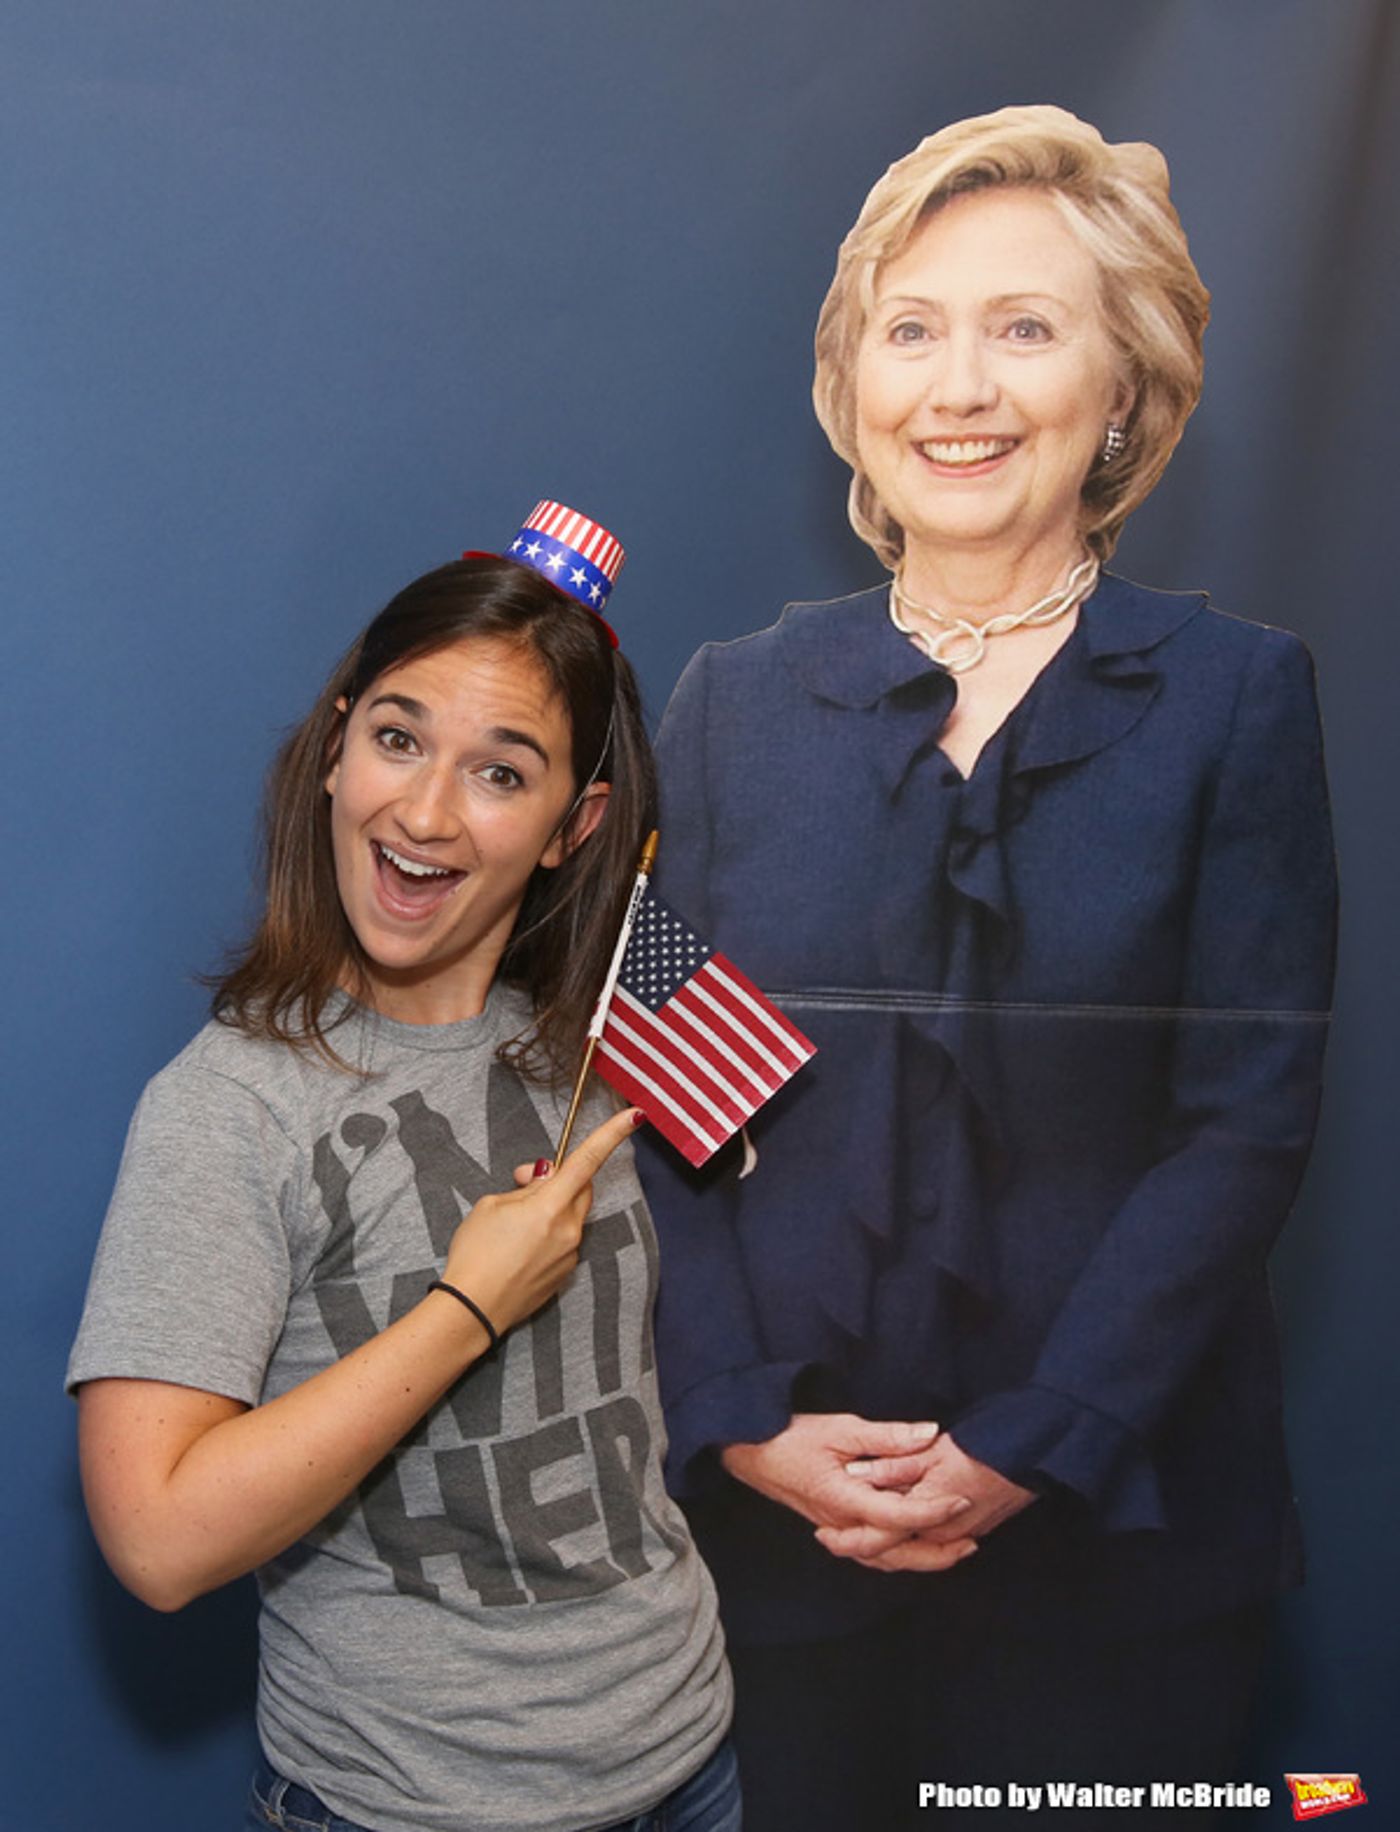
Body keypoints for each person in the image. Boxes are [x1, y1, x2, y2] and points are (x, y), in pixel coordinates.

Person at [636, 107, 1337, 1830]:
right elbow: (650, 1075)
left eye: (1026, 329)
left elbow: (1244, 1121)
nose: (960, 386)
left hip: (1121, 1534)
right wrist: (736, 1423)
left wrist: (1034, 1443)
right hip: (785, 1533)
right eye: (913, 328)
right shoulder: (730, 702)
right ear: (856, 387)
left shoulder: (1239, 700)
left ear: (1125, 390)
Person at [68, 508, 738, 1832]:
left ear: (571, 824)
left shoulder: (594, 1042)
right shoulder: (231, 1106)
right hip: (420, 1805)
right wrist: (469, 1308)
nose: (425, 809)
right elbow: (156, 1541)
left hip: (690, 1757)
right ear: (333, 749)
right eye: (398, 737)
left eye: (503, 772)